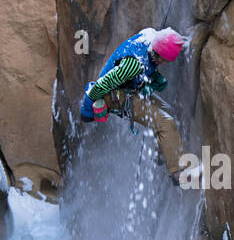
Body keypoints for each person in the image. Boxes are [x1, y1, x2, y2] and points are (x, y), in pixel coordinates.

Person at [80, 26, 187, 181]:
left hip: (132, 89)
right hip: (116, 98)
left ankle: (163, 153)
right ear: (156, 52)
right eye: (161, 59)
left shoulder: (150, 36)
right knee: (166, 123)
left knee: (169, 112)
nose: (162, 62)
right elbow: (101, 85)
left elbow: (162, 45)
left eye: (165, 60)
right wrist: (89, 107)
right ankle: (178, 173)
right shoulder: (133, 65)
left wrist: (153, 74)